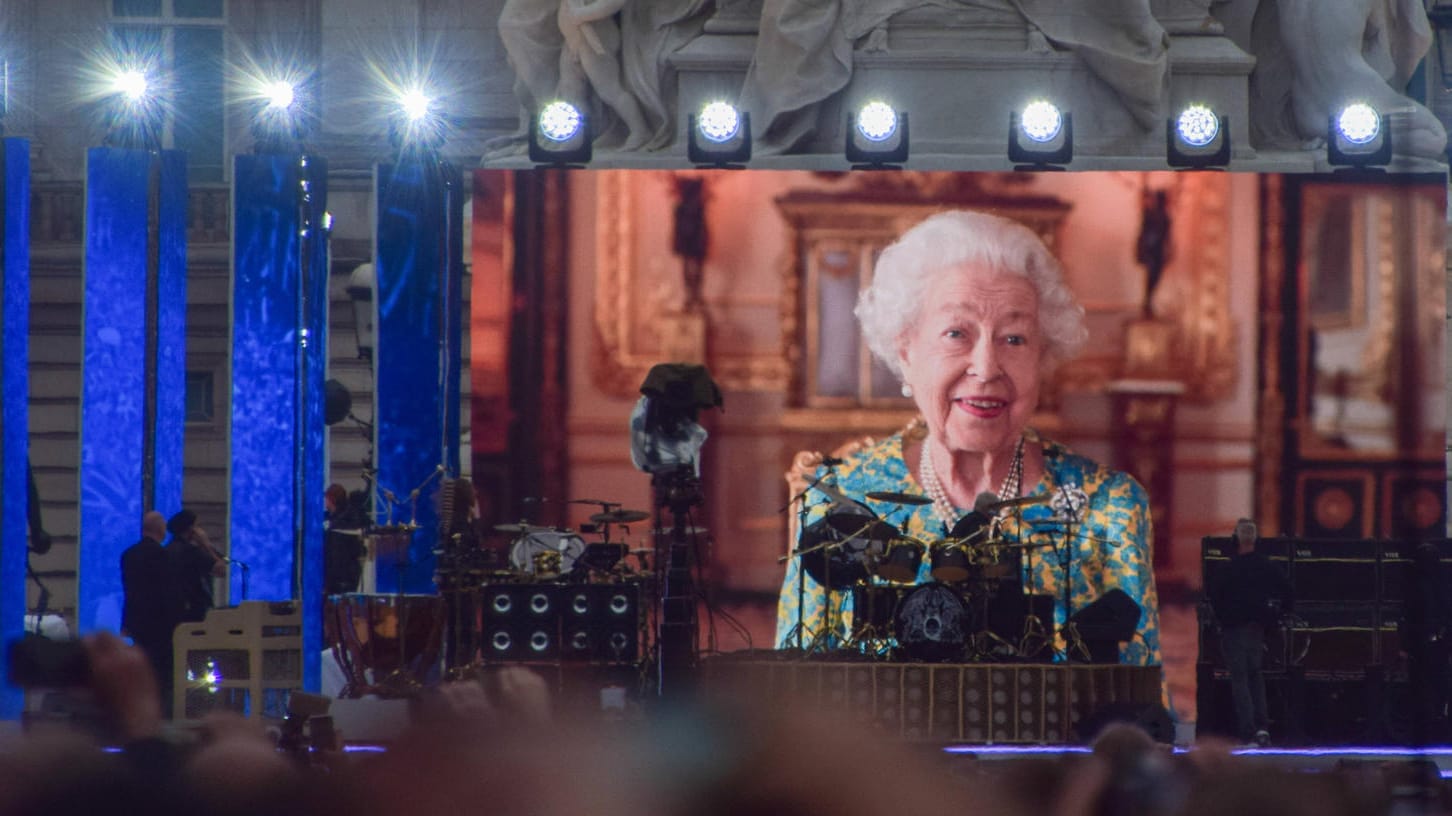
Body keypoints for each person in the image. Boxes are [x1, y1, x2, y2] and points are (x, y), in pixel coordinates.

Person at [775, 210, 1163, 671]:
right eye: (957, 333)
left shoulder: (1107, 507)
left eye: (1014, 338)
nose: (986, 366)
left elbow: (1140, 706)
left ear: (1043, 356)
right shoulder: (843, 501)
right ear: (907, 350)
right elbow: (795, 696)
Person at [1207, 518, 1292, 746]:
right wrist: (1275, 616)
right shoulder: (1267, 566)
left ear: (1235, 540)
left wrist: (1223, 619)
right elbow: (1288, 591)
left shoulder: (1227, 569)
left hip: (1234, 630)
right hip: (1258, 628)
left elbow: (1214, 597)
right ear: (1257, 540)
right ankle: (1263, 729)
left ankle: (1248, 732)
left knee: (1240, 680)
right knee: (1256, 676)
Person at [120, 511, 182, 712]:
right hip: (160, 625)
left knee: (140, 670)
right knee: (161, 675)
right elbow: (169, 594)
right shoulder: (164, 556)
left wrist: (125, 623)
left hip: (136, 621)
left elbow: (130, 592)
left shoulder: (128, 555)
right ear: (161, 530)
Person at [1399, 541, 1451, 746]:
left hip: (1431, 645)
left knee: (1433, 687)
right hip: (1426, 646)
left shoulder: (1433, 587)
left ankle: (1435, 724)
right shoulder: (1425, 587)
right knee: (1430, 688)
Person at [166, 509, 226, 624]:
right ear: (191, 529)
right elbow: (220, 570)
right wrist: (206, 544)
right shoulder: (192, 551)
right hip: (194, 611)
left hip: (172, 610)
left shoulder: (166, 550)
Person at [324, 483, 366, 596]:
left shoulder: (348, 517)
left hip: (344, 571)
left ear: (331, 499)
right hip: (330, 571)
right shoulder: (326, 517)